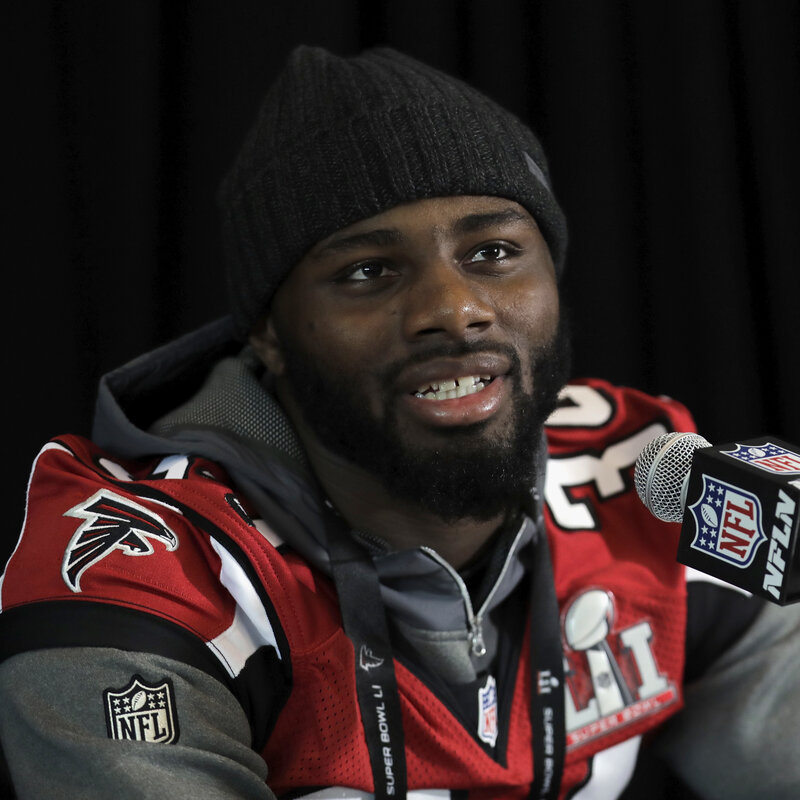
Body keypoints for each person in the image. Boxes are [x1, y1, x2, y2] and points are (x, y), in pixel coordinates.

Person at [0, 45, 798, 800]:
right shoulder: (136, 575)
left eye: (492, 252)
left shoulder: (644, 475)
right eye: (368, 271)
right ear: (268, 335)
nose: (454, 310)